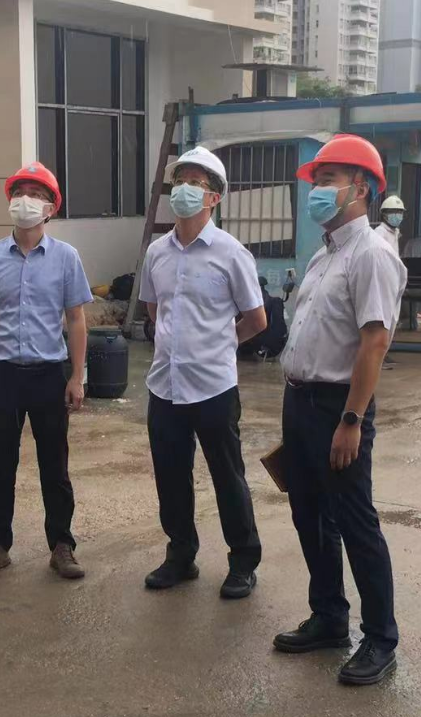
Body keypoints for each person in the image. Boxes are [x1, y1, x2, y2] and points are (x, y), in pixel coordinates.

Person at [273, 134, 407, 686]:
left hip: (338, 406)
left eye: (328, 180)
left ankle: (380, 639)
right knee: (309, 515)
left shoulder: (371, 254)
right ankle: (329, 617)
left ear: (361, 188)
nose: (318, 190)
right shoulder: (324, 253)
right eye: (317, 181)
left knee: (355, 522)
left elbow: (375, 342)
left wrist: (351, 419)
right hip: (300, 400)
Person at [138, 147, 268, 600]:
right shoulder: (157, 252)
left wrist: (220, 344)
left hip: (213, 387)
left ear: (214, 197)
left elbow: (257, 320)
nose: (184, 190)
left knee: (227, 476)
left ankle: (243, 561)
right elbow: (154, 310)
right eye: (180, 181)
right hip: (164, 386)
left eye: (195, 183)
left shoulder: (231, 253)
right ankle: (180, 555)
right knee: (171, 476)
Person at [0, 162, 93, 581]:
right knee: (1, 465)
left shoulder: (66, 258)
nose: (26, 200)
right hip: (4, 374)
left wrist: (76, 376)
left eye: (36, 194)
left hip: (48, 375)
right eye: (20, 192)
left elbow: (76, 320)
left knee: (55, 465)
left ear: (51, 208)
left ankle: (62, 545)